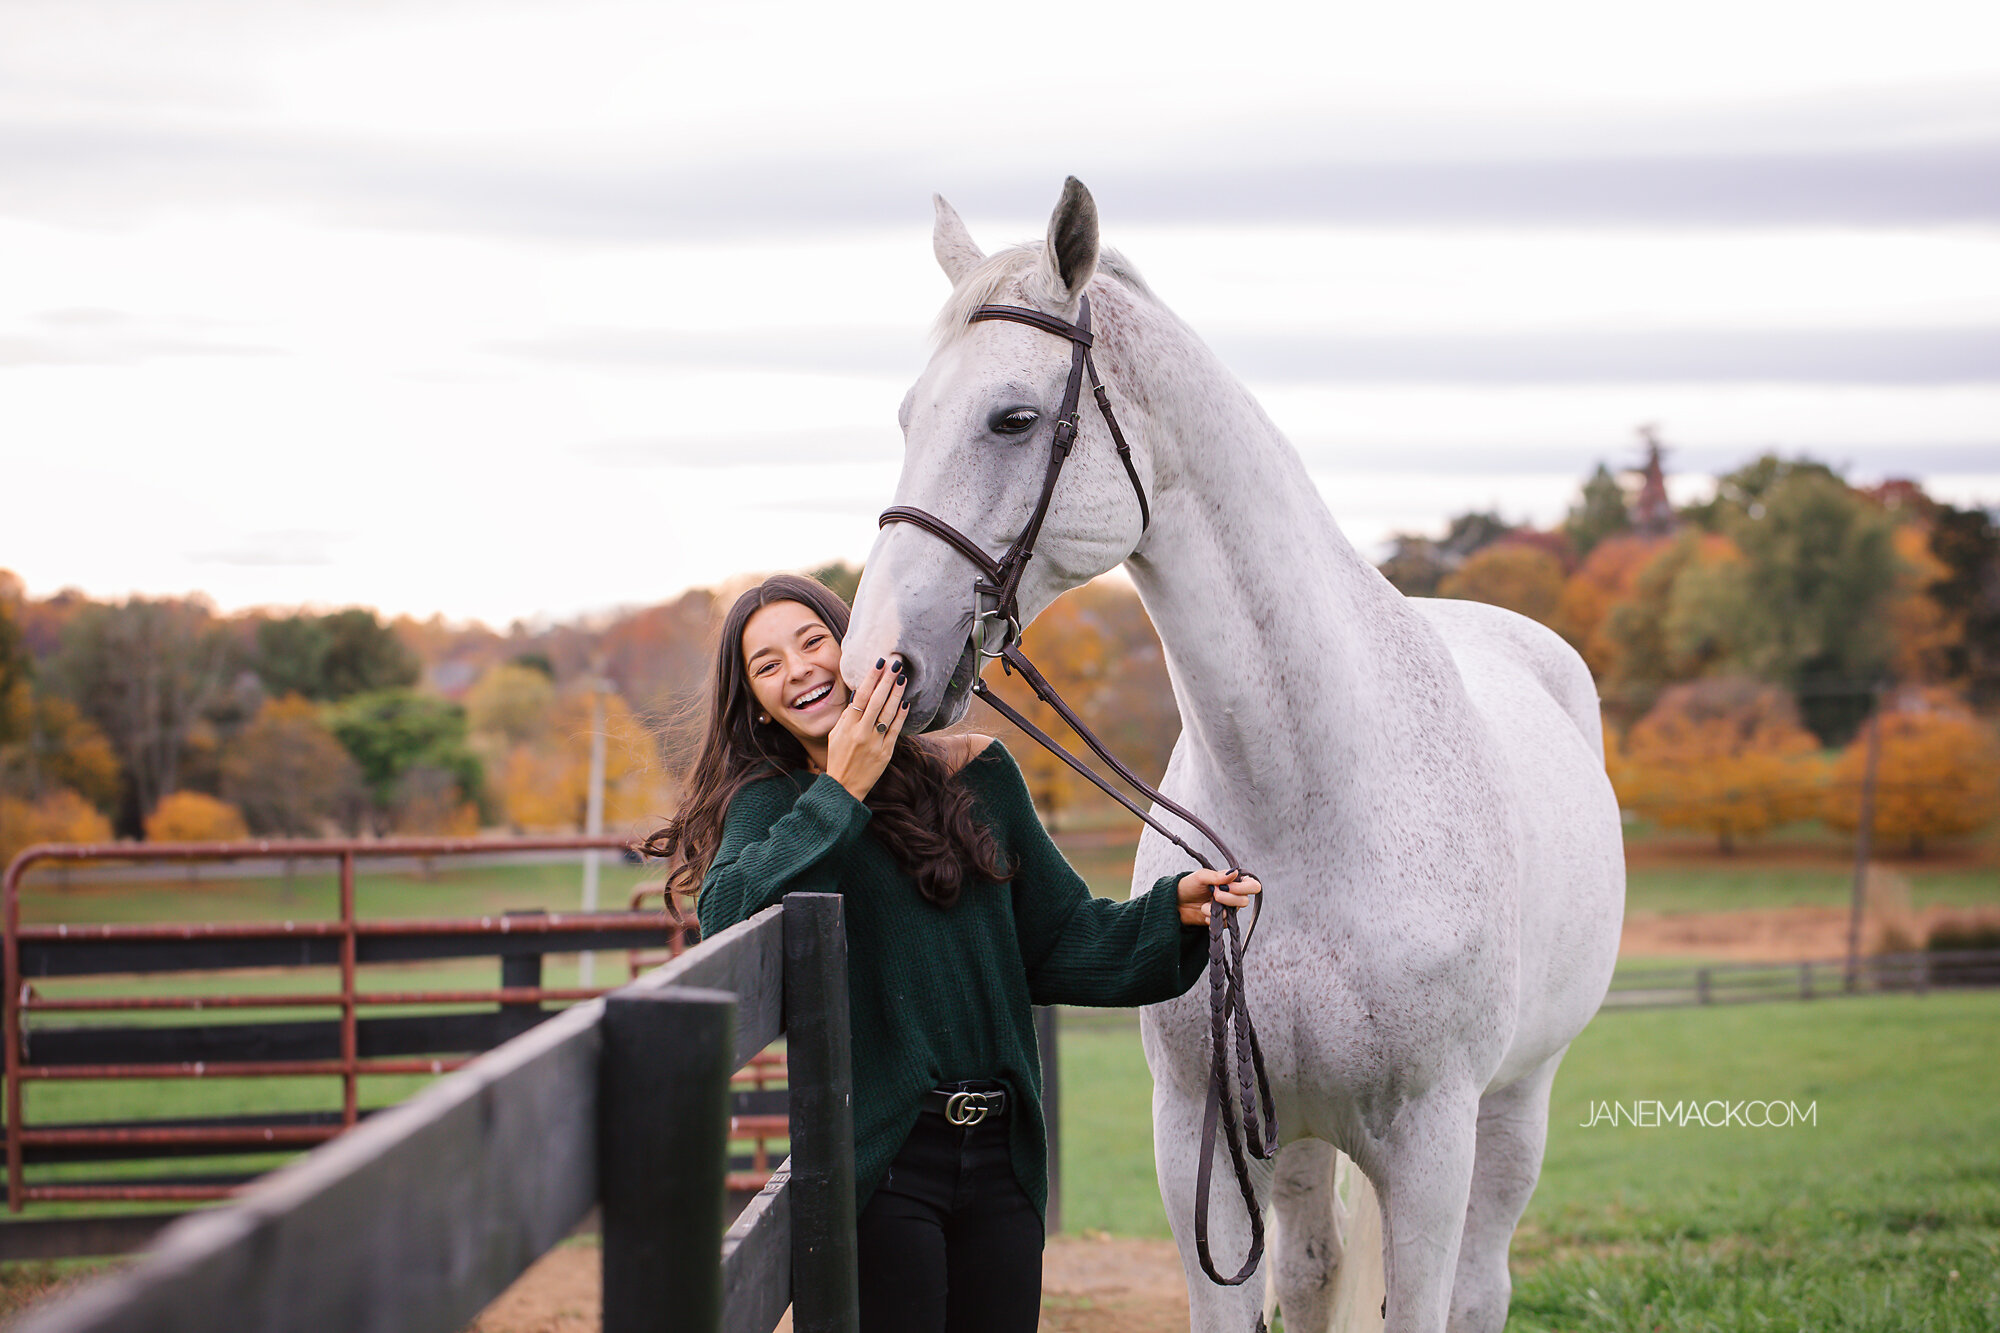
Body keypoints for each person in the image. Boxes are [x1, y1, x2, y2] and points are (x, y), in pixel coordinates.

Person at [643, 573, 1259, 1333]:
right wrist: (842, 787)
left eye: (812, 641)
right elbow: (727, 919)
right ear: (759, 703)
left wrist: (1172, 914)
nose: (797, 668)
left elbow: (1059, 936)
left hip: (1004, 1154)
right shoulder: (771, 803)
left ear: (855, 647)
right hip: (882, 1160)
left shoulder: (979, 771)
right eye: (767, 665)